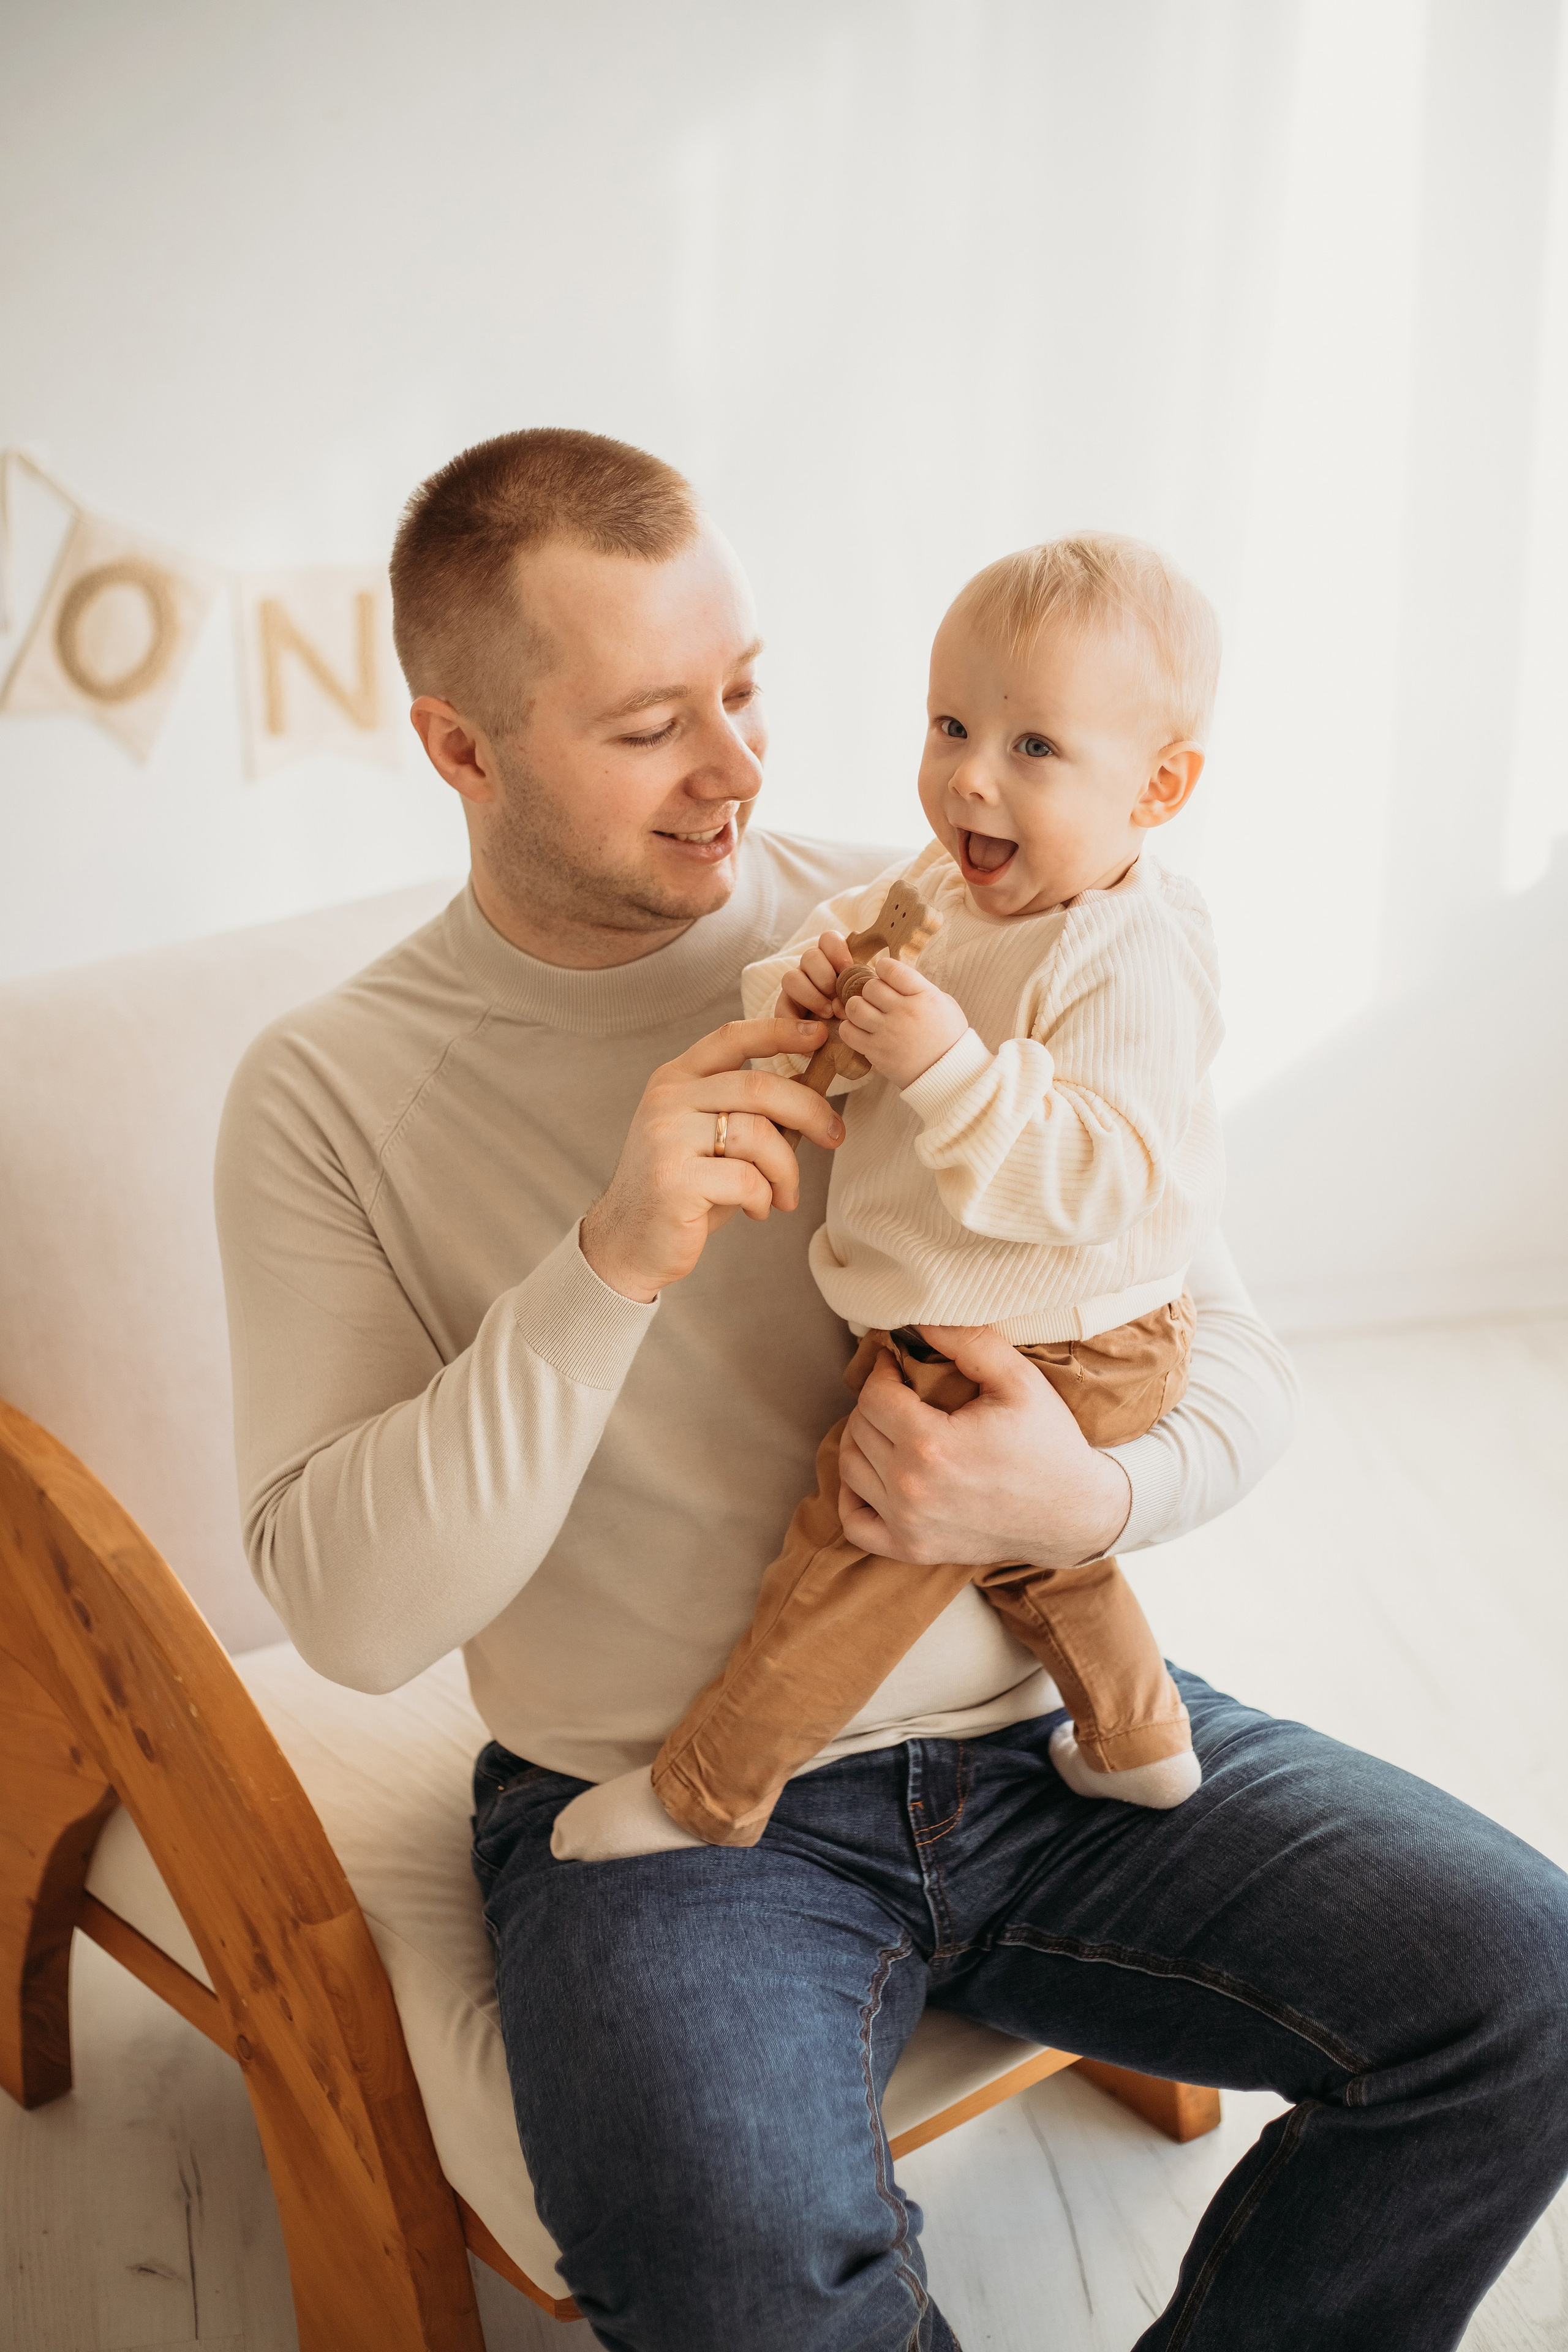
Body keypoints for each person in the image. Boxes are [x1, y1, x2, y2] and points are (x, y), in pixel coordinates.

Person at [216, 427, 1568, 2352]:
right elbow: (350, 1619)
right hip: (672, 1816)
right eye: (650, 725)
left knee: (1523, 1989)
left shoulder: (954, 933)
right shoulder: (328, 1095)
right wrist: (607, 1266)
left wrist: (1074, 1509)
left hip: (1039, 1741)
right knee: (751, 2283)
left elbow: (1230, 1353)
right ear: (462, 749)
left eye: (750, 690)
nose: (746, 769)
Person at [554, 532, 1225, 1866]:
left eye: (1033, 748)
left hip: (1067, 1334)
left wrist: (947, 1069)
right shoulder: (943, 884)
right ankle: (1138, 1742)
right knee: (1032, 1553)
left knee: (857, 1547)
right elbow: (836, 969)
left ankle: (709, 1788)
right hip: (977, 1315)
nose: (969, 776)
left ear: (1155, 788)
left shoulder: (1127, 952)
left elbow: (1100, 1177)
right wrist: (805, 1003)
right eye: (950, 724)